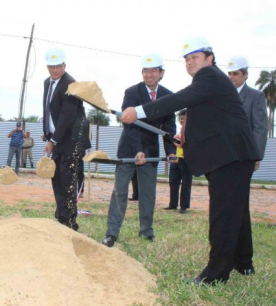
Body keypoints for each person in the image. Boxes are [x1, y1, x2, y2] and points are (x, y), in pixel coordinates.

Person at [121, 37, 259, 285]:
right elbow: (209, 121)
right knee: (236, 210)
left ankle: (216, 274)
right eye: (186, 59)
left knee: (223, 215)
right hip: (234, 155)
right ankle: (244, 262)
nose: (190, 62)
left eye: (195, 57)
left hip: (231, 156)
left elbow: (178, 100)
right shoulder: (209, 83)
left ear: (209, 59)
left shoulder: (209, 77)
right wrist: (185, 138)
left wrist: (138, 111)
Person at [102, 53, 176, 248]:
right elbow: (130, 123)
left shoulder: (168, 96)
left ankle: (146, 231)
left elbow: (169, 127)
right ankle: (112, 233)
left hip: (151, 152)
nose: (149, 74)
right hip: (128, 150)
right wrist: (137, 150)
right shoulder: (132, 92)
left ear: (161, 73)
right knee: (120, 191)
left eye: (153, 71)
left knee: (147, 194)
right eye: (145, 71)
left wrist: (170, 151)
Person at [43, 48, 91, 231]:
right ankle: (61, 214)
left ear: (64, 65)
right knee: (56, 176)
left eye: (58, 66)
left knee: (68, 178)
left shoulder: (72, 84)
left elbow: (67, 116)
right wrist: (48, 133)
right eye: (51, 66)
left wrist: (53, 140)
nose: (55, 70)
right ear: (47, 66)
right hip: (58, 138)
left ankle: (70, 221)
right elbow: (48, 110)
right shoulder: (47, 82)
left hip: (72, 139)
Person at [227, 55, 268, 170]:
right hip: (223, 156)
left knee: (239, 187)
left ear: (245, 75)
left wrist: (256, 156)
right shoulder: (222, 96)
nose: (231, 77)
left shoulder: (255, 96)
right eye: (229, 73)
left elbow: (260, 128)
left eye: (235, 74)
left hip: (244, 156)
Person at [165, 109, 192, 214]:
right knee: (173, 181)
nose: (181, 120)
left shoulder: (191, 130)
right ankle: (173, 204)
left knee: (186, 183)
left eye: (183, 118)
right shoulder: (180, 130)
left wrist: (178, 141)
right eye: (180, 118)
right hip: (177, 158)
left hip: (186, 159)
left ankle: (184, 206)